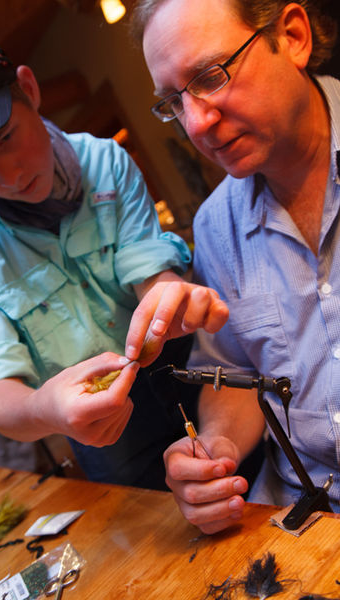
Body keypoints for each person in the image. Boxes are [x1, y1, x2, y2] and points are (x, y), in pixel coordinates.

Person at [0, 22, 228, 488]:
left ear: (30, 90)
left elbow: (150, 274)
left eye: (6, 138)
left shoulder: (106, 162)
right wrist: (45, 408)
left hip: (186, 377)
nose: (8, 175)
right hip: (97, 433)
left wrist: (169, 300)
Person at [130, 0, 340, 530]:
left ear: (293, 35)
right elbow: (240, 376)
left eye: (211, 75)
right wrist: (216, 447)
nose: (197, 123)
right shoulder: (215, 228)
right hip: (303, 510)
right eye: (174, 102)